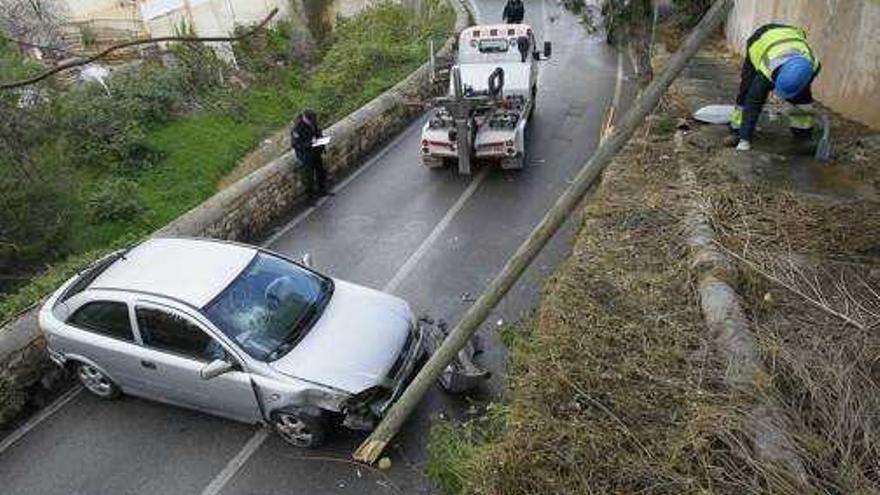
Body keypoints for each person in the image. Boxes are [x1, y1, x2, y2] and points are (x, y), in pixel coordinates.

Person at [729, 24, 820, 151]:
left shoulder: (813, 64)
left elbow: (799, 85)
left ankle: (803, 135)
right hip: (761, 39)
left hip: (791, 35)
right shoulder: (766, 69)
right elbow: (753, 102)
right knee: (748, 90)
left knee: (802, 96)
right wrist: (745, 140)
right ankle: (738, 131)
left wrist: (791, 101)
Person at [291, 109, 331, 200]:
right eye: (310, 121)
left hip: (316, 151)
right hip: (305, 155)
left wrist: (321, 141)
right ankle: (310, 197)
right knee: (309, 177)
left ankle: (322, 190)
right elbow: (295, 144)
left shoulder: (313, 123)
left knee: (321, 171)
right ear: (305, 118)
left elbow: (318, 132)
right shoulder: (297, 128)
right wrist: (309, 143)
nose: (312, 122)